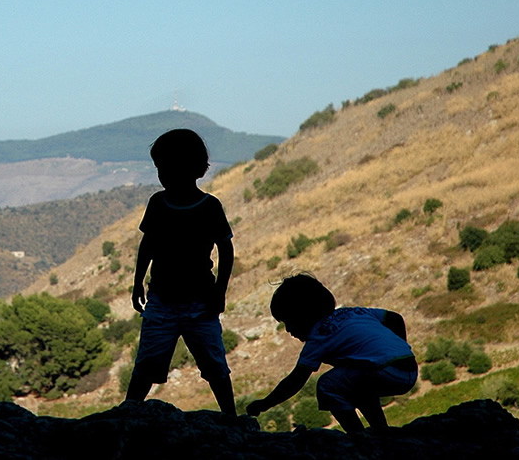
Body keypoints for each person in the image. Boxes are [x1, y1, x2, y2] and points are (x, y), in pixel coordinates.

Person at [125, 128, 236, 415]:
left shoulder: (209, 206)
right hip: (163, 299)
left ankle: (230, 418)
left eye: (165, 167)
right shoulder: (158, 203)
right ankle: (129, 412)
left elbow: (226, 250)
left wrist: (219, 291)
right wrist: (138, 282)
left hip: (198, 302)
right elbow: (147, 245)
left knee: (214, 365)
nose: (161, 175)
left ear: (190, 168)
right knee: (147, 364)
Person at [246, 274, 417, 432]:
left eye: (289, 322)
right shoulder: (353, 312)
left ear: (303, 316)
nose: (289, 330)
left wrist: (265, 403)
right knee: (356, 384)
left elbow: (295, 380)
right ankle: (380, 430)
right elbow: (395, 318)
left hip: (386, 370)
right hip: (408, 367)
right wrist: (401, 349)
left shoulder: (319, 335)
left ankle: (357, 435)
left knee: (327, 385)